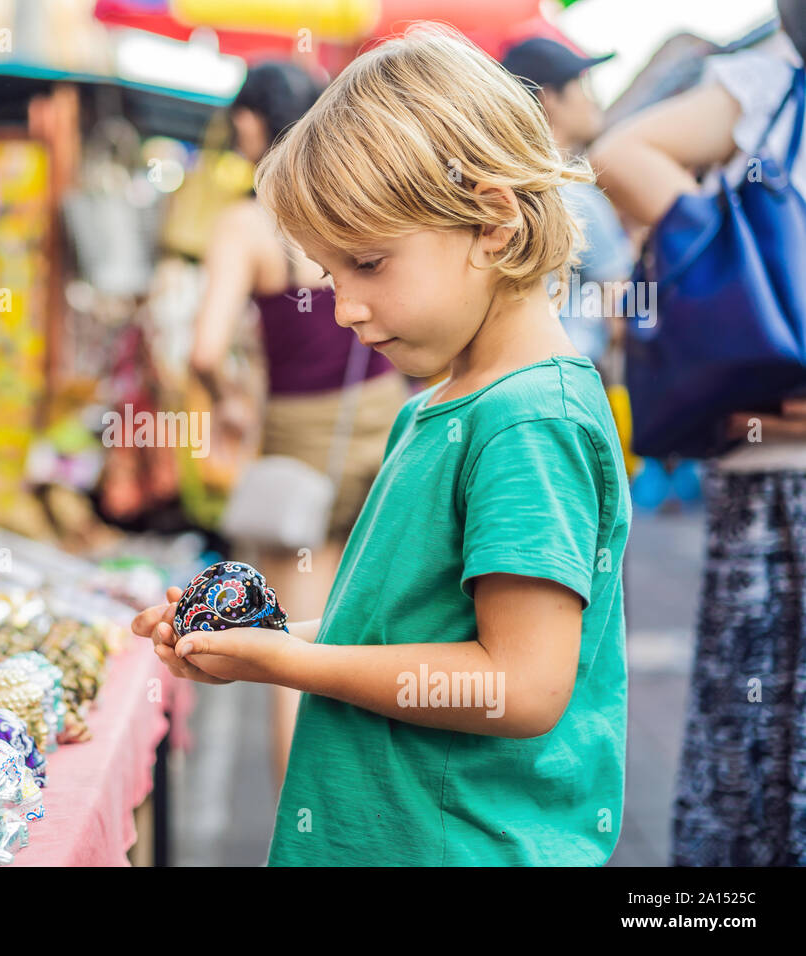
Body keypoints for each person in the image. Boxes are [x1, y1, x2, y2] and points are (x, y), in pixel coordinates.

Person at [135, 25, 632, 866]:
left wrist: (295, 664)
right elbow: (402, 625)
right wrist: (263, 640)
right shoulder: (444, 402)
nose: (345, 309)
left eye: (368, 263)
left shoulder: (527, 421)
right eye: (331, 275)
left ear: (493, 219)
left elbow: (519, 684)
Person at [591, 0, 806, 866]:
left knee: (752, 739)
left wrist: (731, 266)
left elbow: (621, 153)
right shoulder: (768, 82)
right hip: (767, 472)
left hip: (764, 468)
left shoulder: (767, 86)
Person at [187, 61, 408, 791]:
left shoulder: (248, 223)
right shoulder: (353, 205)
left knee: (293, 654)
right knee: (362, 636)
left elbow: (203, 349)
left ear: (251, 125)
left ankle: (305, 832)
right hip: (382, 427)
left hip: (297, 446)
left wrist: (231, 401)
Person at [502, 37, 634, 368]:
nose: (593, 100)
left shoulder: (500, 192)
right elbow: (622, 312)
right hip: (574, 373)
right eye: (582, 84)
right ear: (550, 99)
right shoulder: (574, 195)